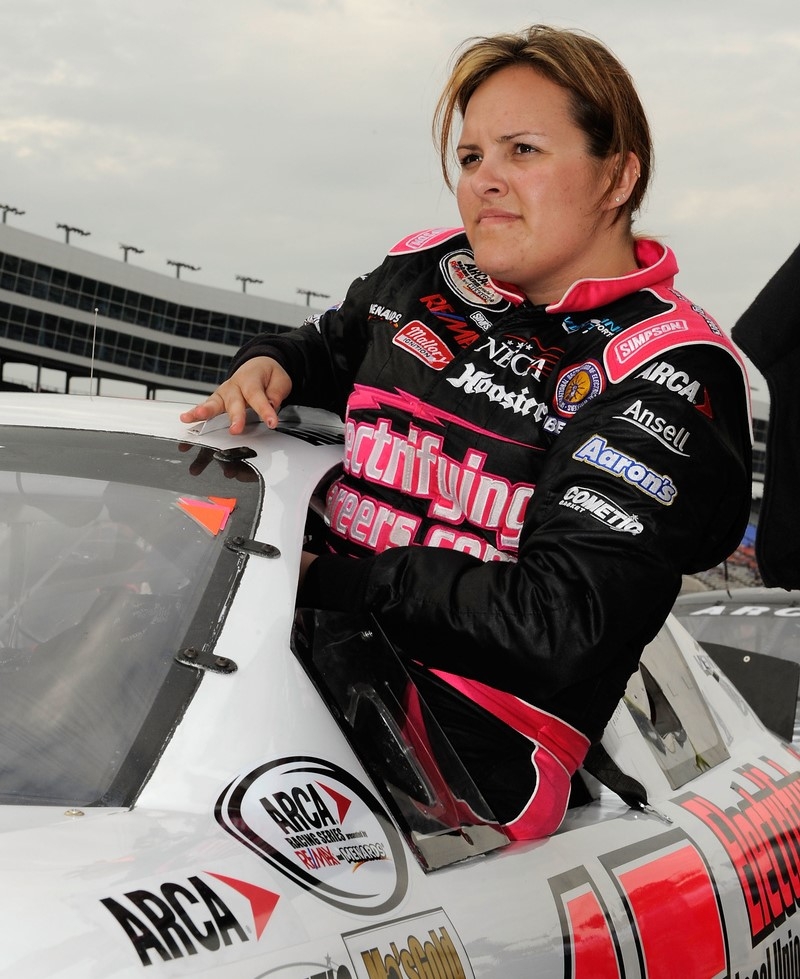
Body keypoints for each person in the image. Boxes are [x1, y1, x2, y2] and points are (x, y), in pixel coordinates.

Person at [181, 25, 752, 839]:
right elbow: (326, 348)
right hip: (287, 651)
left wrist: (309, 579)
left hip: (470, 751)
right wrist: (269, 361)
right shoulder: (422, 273)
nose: (485, 180)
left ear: (617, 176)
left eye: (522, 151)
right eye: (472, 157)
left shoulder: (670, 366)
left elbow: (557, 620)